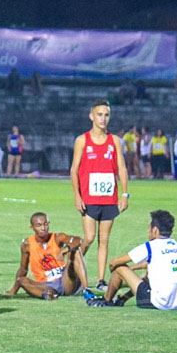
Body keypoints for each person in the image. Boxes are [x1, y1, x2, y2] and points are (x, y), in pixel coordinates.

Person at [70, 99, 129, 291]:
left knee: (104, 240)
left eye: (106, 115)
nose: (103, 119)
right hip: (89, 198)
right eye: (99, 115)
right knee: (89, 238)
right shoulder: (82, 140)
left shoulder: (114, 141)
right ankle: (73, 265)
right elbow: (74, 170)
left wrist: (125, 194)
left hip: (109, 198)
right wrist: (77, 196)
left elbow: (121, 167)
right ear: (91, 116)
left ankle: (101, 280)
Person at [87, 209, 177, 310]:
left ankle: (107, 300)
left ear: (155, 230)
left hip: (158, 303)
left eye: (149, 229)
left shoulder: (150, 246)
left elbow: (114, 262)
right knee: (146, 278)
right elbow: (146, 274)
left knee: (119, 268)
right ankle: (121, 299)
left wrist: (116, 271)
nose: (148, 232)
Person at [6, 212, 88, 300]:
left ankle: (87, 290)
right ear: (32, 227)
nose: (43, 228)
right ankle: (47, 295)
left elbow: (79, 241)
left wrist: (65, 249)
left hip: (65, 281)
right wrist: (13, 291)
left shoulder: (57, 237)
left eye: (46, 224)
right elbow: (23, 269)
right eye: (39, 225)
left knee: (75, 251)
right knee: (21, 280)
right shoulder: (27, 244)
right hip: (45, 285)